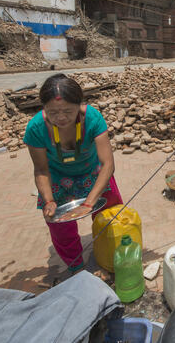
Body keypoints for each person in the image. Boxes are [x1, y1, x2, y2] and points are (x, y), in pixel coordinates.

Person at [23, 74, 122, 272]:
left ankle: (113, 255)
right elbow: (41, 170)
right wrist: (49, 200)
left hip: (94, 172)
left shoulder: (92, 118)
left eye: (68, 111)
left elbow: (108, 164)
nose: (61, 117)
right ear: (43, 108)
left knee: (112, 217)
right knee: (59, 226)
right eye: (53, 112)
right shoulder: (36, 128)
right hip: (58, 178)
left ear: (79, 105)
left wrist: (88, 203)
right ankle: (76, 265)